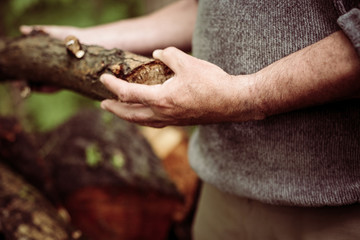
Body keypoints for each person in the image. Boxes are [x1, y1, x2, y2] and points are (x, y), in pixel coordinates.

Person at [21, 0, 360, 239]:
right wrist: (81, 45)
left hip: (335, 206)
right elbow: (206, 8)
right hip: (218, 191)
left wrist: (248, 94)